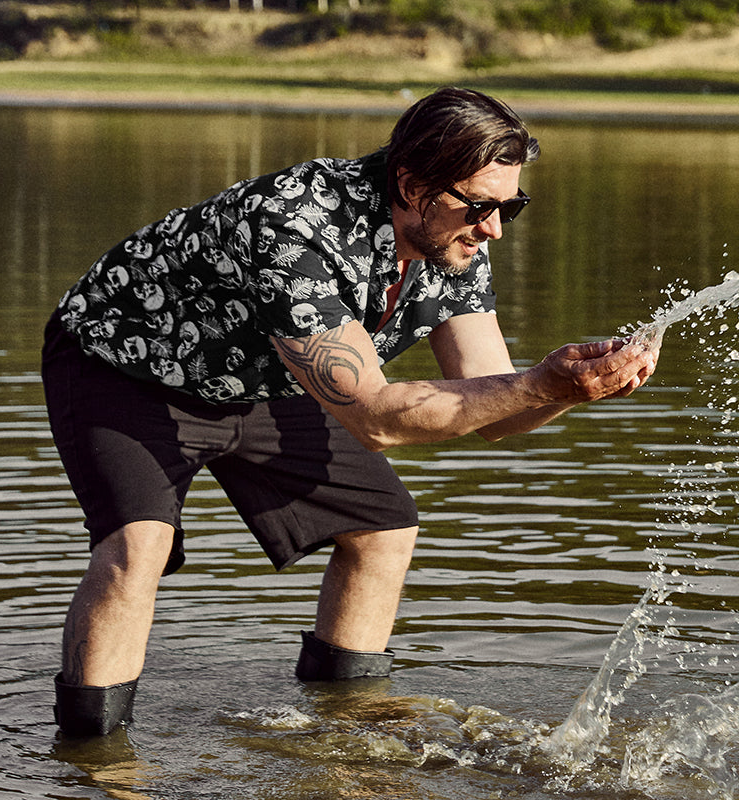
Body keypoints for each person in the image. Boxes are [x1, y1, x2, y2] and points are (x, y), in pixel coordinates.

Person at [42, 86, 658, 737]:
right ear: (411, 182)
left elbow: (494, 406)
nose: (495, 228)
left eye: (511, 206)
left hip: (264, 376)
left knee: (382, 527)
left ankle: (343, 728)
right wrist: (539, 385)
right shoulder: (292, 224)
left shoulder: (456, 242)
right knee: (140, 547)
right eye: (480, 206)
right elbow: (378, 418)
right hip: (126, 364)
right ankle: (94, 755)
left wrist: (567, 390)